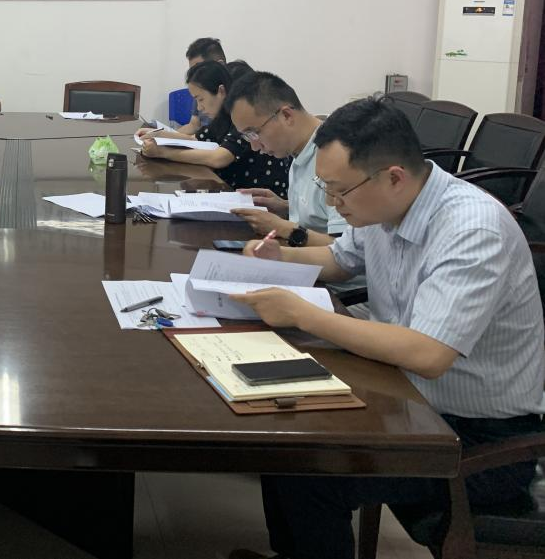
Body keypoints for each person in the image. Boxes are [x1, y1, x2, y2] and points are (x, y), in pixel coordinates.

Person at [227, 97, 545, 559]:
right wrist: (279, 257)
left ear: (394, 176)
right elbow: (340, 259)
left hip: (477, 438)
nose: (332, 204)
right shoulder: (384, 204)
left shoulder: (473, 229)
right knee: (282, 435)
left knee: (310, 470)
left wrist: (302, 313)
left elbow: (428, 354)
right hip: (407, 396)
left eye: (340, 192)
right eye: (326, 189)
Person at [225, 70, 347, 247]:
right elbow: (322, 215)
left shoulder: (335, 155)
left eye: (254, 133)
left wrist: (282, 228)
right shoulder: (297, 149)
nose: (254, 147)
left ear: (286, 115)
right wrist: (286, 207)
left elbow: (348, 251)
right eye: (247, 136)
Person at [140, 60, 290, 194]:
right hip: (233, 191)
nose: (199, 108)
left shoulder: (241, 118)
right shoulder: (222, 118)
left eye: (201, 99)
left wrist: (163, 152)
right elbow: (195, 139)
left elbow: (219, 158)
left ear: (221, 91)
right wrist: (157, 134)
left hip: (260, 196)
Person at [136, 36, 226, 141]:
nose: (199, 108)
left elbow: (221, 148)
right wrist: (161, 136)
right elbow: (194, 126)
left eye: (199, 70)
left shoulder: (234, 100)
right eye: (192, 71)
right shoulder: (200, 90)